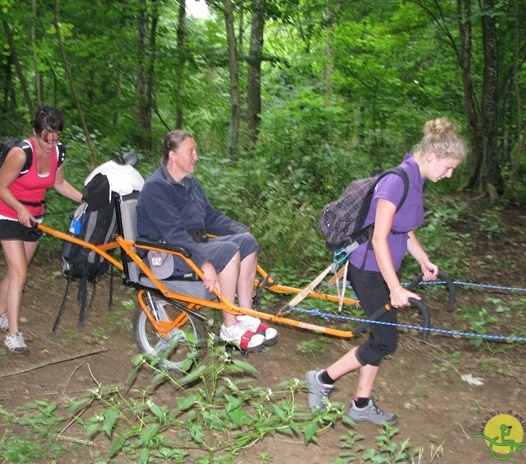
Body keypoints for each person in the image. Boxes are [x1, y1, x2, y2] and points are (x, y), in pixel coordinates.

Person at [305, 117, 468, 425]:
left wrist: (423, 260)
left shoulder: (416, 180)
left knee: (381, 335)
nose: (448, 175)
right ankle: (323, 378)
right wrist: (395, 288)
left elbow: (404, 231)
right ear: (431, 156)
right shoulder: (397, 181)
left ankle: (361, 403)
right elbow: (379, 237)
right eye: (448, 168)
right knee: (385, 341)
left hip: (385, 271)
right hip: (368, 271)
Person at [136, 130, 277, 352]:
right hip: (166, 253)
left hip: (190, 246)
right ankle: (229, 326)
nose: (196, 156)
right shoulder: (157, 187)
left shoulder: (190, 184)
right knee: (228, 250)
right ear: (172, 155)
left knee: (247, 243)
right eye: (191, 151)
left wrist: (241, 230)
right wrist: (205, 262)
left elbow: (209, 217)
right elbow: (174, 234)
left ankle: (246, 315)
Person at [0, 106, 82, 353]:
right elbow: (0, 186)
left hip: (34, 217)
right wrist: (20, 209)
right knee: (20, 273)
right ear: (35, 132)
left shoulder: (58, 153)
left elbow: (59, 183)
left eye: (56, 139)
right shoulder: (21, 154)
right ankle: (13, 334)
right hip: (9, 213)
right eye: (45, 140)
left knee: (15, 271)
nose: (50, 145)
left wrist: (84, 199)